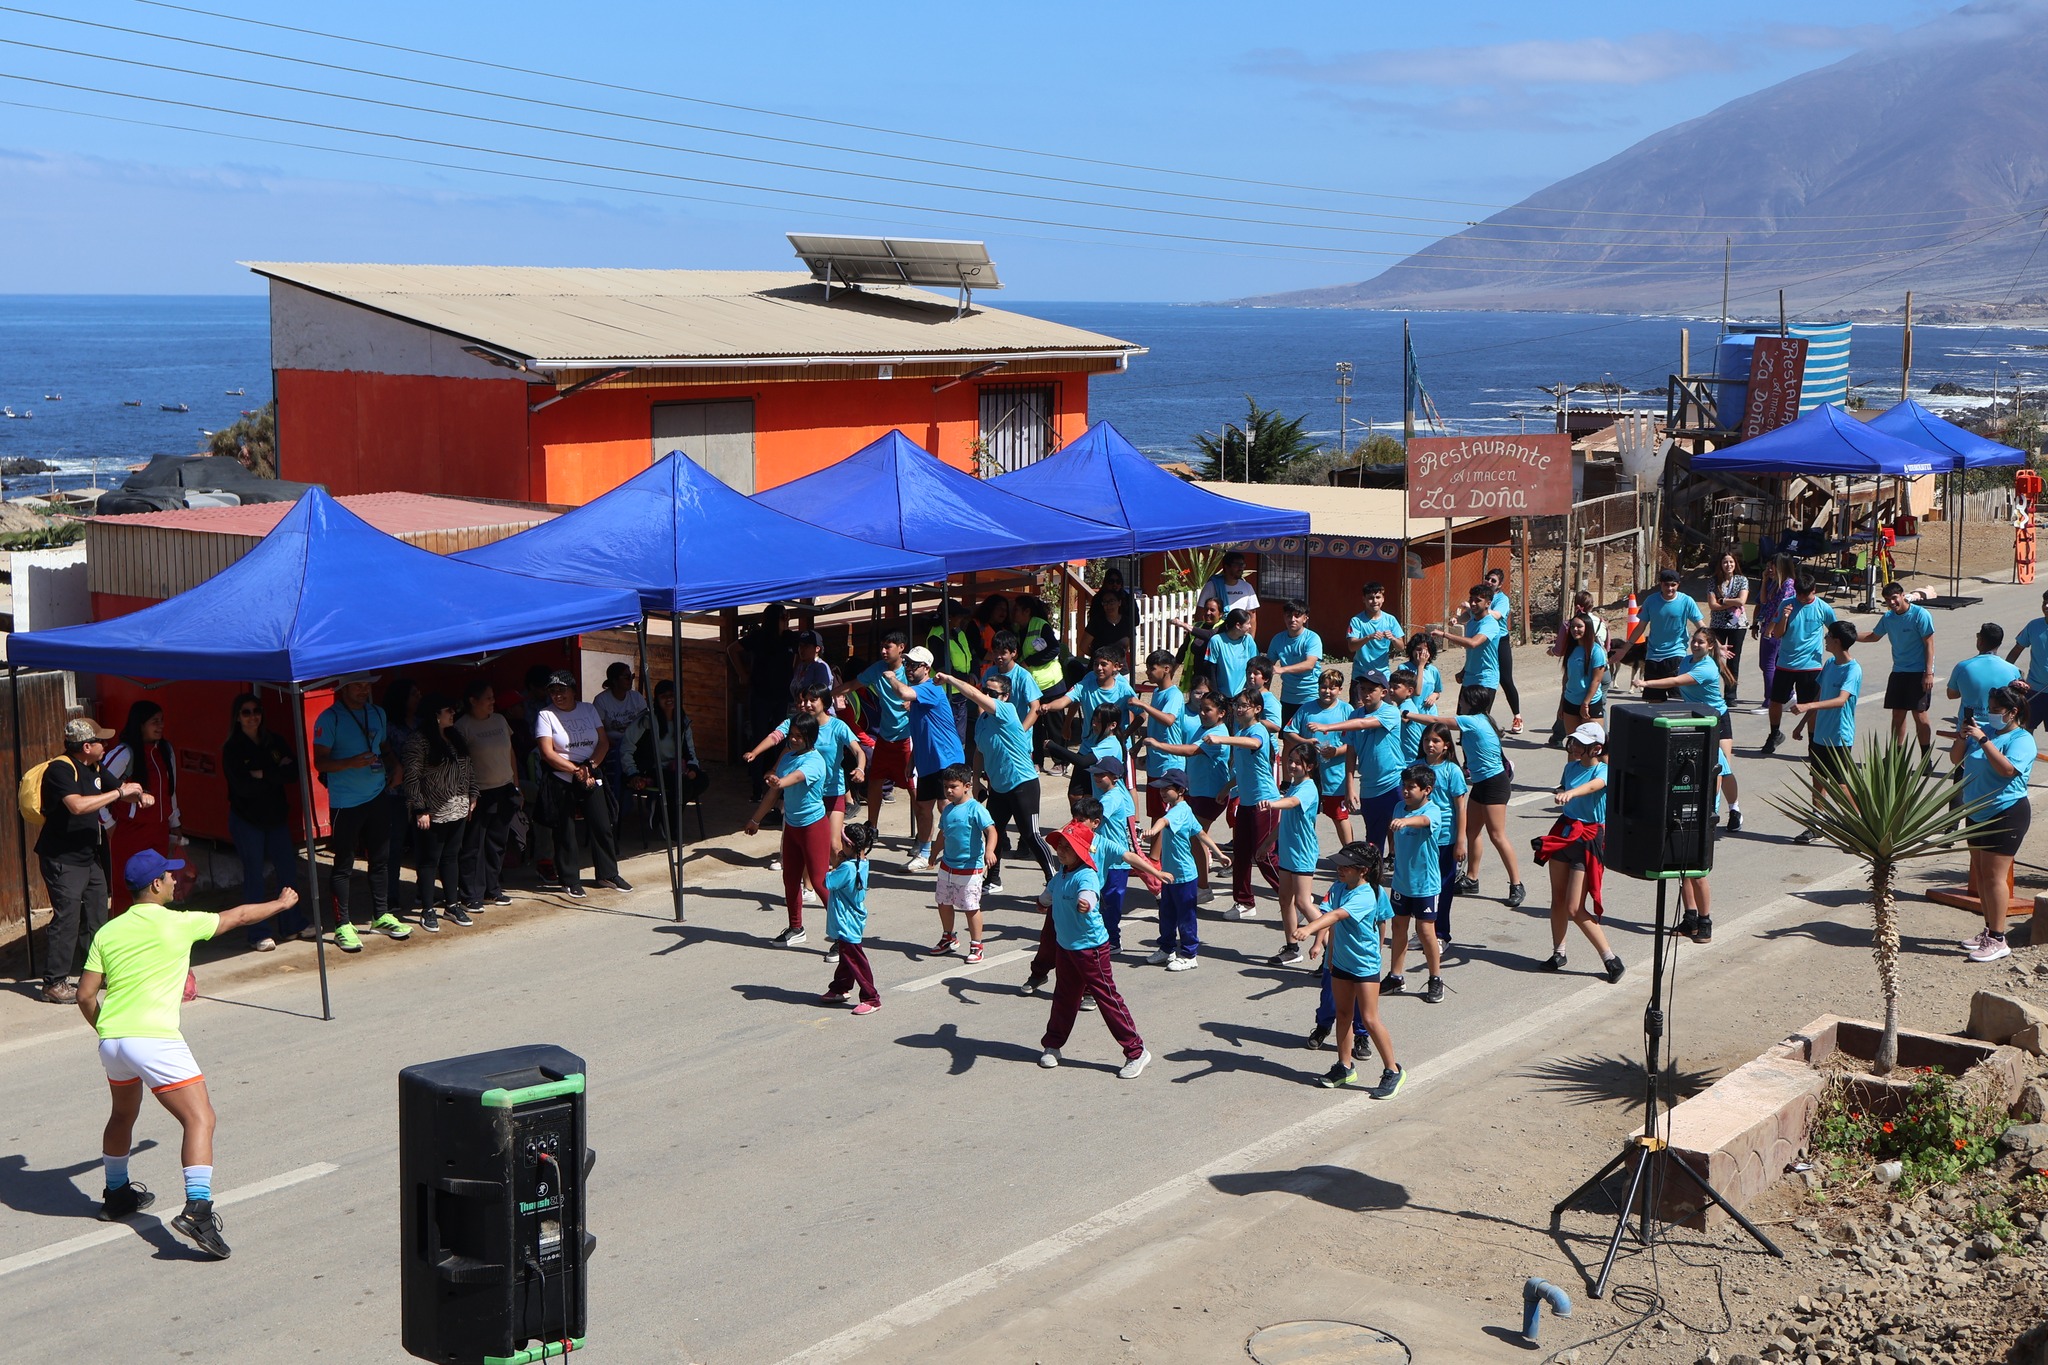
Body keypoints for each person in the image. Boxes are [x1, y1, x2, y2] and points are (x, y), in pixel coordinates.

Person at [77, 849, 299, 1257]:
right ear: (156, 885)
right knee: (200, 1117)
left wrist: (108, 1030)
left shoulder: (107, 932)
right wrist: (282, 904)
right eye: (170, 875)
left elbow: (86, 995)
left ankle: (117, 1194)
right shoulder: (178, 923)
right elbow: (239, 916)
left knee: (123, 1114)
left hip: (113, 1042)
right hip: (155, 1040)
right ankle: (197, 1209)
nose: (176, 880)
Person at [1035, 820, 1151, 1080]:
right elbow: (1047, 896)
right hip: (1066, 947)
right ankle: (1053, 1045)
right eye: (1060, 845)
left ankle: (1136, 1051)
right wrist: (1042, 902)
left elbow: (1089, 893)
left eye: (1067, 846)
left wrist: (1085, 903)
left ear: (1081, 850)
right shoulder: (1061, 874)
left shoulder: (1086, 874)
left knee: (1107, 998)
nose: (1061, 850)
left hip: (1091, 950)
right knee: (1064, 997)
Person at [35, 718, 138, 1003]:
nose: (106, 745)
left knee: (98, 917)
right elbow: (78, 806)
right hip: (62, 858)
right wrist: (119, 793)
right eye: (101, 741)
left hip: (89, 855)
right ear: (86, 746)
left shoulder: (94, 767)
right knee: (67, 918)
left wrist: (137, 794)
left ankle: (97, 974)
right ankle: (53, 983)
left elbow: (120, 790)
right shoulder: (61, 769)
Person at [1290, 842, 1404, 1096]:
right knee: (1343, 1015)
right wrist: (1325, 949)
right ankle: (1344, 1066)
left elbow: (1338, 916)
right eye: (1339, 864)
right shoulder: (1339, 886)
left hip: (1364, 966)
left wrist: (1308, 929)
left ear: (1362, 870)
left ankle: (1393, 1070)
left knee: (1370, 1019)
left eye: (1346, 866)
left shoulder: (1366, 894)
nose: (1339, 869)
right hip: (1340, 962)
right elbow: (1326, 914)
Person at [313, 675, 409, 952]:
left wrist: (396, 767)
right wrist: (350, 763)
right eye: (357, 684)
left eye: (367, 684)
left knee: (380, 858)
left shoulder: (377, 712)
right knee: (343, 862)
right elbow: (320, 762)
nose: (363, 689)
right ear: (342, 688)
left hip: (378, 793)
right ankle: (342, 924)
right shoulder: (330, 718)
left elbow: (384, 747)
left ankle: (381, 915)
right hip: (345, 800)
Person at [942, 669, 1050, 893]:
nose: (987, 696)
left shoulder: (1006, 711)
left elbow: (973, 695)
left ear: (1005, 697)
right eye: (986, 691)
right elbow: (979, 752)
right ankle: (993, 879)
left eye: (993, 693)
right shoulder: (982, 721)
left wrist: (950, 679)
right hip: (998, 786)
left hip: (1023, 783)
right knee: (993, 830)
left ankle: (1054, 879)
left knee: (1030, 834)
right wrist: (976, 779)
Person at [1532, 723, 1624, 982]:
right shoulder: (1570, 767)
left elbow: (1592, 787)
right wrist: (1563, 793)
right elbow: (1566, 789)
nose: (1573, 746)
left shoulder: (1605, 771)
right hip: (1565, 832)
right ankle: (1558, 953)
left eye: (1579, 743)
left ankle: (1611, 959)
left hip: (1589, 838)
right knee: (1557, 900)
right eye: (1572, 741)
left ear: (1596, 748)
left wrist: (1570, 793)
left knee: (1574, 907)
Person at [1953, 682, 2036, 964]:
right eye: (1989, 710)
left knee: (1994, 877)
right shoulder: (1984, 731)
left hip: (2006, 812)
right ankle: (1989, 930)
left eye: (1997, 710)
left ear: (2013, 712)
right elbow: (1956, 761)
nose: (1991, 715)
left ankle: (1999, 939)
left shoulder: (2022, 740)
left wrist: (1983, 740)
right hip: (1976, 811)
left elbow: (2007, 770)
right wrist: (1963, 737)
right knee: (1980, 874)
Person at [219, 694, 307, 950]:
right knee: (254, 877)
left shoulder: (274, 741)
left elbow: (294, 772)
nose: (252, 716)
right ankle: (258, 933)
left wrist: (263, 773)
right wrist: (275, 774)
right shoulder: (232, 748)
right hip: (247, 821)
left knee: (288, 871)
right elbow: (244, 788)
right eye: (246, 712)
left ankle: (292, 925)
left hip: (276, 818)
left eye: (256, 711)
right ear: (237, 717)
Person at [534, 670, 626, 899]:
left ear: (574, 690)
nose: (557, 695)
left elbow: (603, 742)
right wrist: (576, 770)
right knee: (565, 830)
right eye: (553, 691)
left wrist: (590, 767)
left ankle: (608, 873)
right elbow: (547, 753)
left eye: (562, 690)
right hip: (563, 776)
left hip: (590, 773)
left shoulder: (588, 709)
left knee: (602, 824)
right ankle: (569, 879)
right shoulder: (545, 715)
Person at [1639, 627, 1742, 831]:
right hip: (1697, 721)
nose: (1695, 644)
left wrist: (1646, 682)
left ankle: (1730, 810)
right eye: (1694, 641)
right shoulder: (1686, 661)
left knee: (1721, 769)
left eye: (1701, 642)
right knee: (1705, 768)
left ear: (1710, 645)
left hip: (1717, 719)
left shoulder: (1707, 668)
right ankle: (1708, 809)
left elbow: (1677, 681)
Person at [1137, 688, 1231, 902]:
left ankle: (1202, 887)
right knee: (1194, 839)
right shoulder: (1202, 729)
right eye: (1201, 709)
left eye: (1208, 710)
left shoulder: (1218, 735)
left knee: (1195, 839)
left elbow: (1190, 750)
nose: (1202, 713)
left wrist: (1159, 745)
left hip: (1211, 795)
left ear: (1222, 713)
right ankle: (1197, 883)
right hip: (1197, 792)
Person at [878, 646, 966, 873]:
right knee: (922, 807)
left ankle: (959, 848)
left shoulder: (931, 688)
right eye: (906, 664)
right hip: (927, 761)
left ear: (926, 668)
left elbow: (904, 693)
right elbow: (922, 730)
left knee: (947, 806)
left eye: (913, 665)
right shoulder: (919, 695)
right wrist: (912, 761)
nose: (908, 668)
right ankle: (925, 853)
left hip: (946, 759)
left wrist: (891, 677)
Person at [744, 711, 828, 947]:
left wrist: (779, 781)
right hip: (792, 828)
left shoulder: (815, 761)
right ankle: (796, 928)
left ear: (811, 737)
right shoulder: (789, 757)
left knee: (820, 883)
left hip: (814, 828)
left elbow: (795, 778)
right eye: (791, 735)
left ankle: (844, 936)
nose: (793, 740)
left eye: (799, 736)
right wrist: (756, 820)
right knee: (790, 879)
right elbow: (774, 793)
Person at [402, 694, 477, 932]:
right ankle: (427, 909)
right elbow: (411, 778)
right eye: (448, 710)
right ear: (435, 715)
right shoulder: (419, 742)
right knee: (428, 860)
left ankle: (452, 905)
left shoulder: (456, 737)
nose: (453, 713)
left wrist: (472, 794)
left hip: (458, 807)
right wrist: (420, 808)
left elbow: (468, 768)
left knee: (451, 857)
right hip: (432, 812)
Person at [1141, 772, 1229, 969]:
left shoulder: (1178, 811)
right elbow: (1201, 833)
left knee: (1185, 917)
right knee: (1166, 915)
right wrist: (1219, 853)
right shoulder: (1184, 810)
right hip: (1169, 875)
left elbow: (1163, 822)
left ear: (1180, 790)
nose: (1162, 792)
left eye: (1167, 788)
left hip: (1184, 876)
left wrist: (1153, 832)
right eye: (1161, 788)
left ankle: (1189, 955)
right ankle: (1167, 949)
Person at [1307, 670, 1403, 851]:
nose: (1365, 693)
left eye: (1371, 689)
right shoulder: (1354, 714)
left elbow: (1363, 724)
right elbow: (1351, 751)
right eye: (1362, 688)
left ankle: (1401, 874)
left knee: (1403, 836)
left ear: (1383, 692)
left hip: (1393, 784)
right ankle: (1374, 878)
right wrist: (1350, 786)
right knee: (1373, 843)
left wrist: (1328, 727)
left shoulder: (1391, 712)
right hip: (1368, 788)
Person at [1207, 690, 1282, 919]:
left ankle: (1294, 897)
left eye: (1245, 706)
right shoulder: (1241, 731)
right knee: (1241, 853)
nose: (1239, 709)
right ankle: (1244, 902)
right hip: (1247, 802)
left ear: (1257, 709)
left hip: (1265, 802)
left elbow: (1254, 743)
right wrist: (1227, 787)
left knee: (1265, 855)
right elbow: (1245, 771)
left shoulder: (1257, 730)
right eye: (1237, 705)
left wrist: (1222, 738)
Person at [103, 700, 182, 913]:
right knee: (127, 890)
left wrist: (174, 823)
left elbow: (170, 791)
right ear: (140, 724)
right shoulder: (124, 753)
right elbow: (95, 787)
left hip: (158, 832)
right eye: (154, 721)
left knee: (158, 888)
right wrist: (108, 823)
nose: (160, 725)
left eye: (162, 720)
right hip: (129, 833)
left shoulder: (166, 750)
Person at [1790, 621, 1863, 845]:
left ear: (1837, 641)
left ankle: (1859, 825)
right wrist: (1803, 724)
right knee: (1818, 779)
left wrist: (1808, 708)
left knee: (1839, 783)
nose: (1825, 639)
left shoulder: (1853, 669)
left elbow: (1841, 700)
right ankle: (1817, 824)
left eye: (1829, 635)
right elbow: (1819, 696)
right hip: (1820, 734)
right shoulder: (1830, 663)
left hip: (1839, 736)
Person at [1382, 765, 1448, 1004]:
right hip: (1401, 882)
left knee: (1425, 931)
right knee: (1398, 928)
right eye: (1404, 786)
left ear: (1427, 790)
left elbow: (1424, 820)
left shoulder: (1433, 810)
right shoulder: (1399, 807)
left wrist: (1406, 822)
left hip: (1425, 885)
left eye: (1411, 787)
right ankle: (1396, 977)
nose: (1406, 791)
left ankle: (1435, 978)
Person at [1258, 743, 1326, 967]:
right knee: (1285, 900)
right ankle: (1292, 948)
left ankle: (1332, 947)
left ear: (1311, 766)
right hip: (1288, 853)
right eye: (1290, 761)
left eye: (1298, 762)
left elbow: (1291, 804)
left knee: (1304, 903)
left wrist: (1273, 804)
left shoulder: (1307, 788)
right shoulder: (1294, 786)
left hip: (1302, 854)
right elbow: (1285, 819)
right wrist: (1267, 843)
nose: (1293, 765)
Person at [455, 680, 520, 911]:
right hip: (478, 793)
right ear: (473, 701)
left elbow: (510, 751)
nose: (493, 701)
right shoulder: (462, 726)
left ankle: (492, 890)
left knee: (497, 842)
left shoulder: (501, 720)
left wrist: (516, 784)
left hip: (504, 789)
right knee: (473, 845)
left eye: (494, 697)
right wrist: (467, 794)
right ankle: (470, 893)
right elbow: (460, 764)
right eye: (488, 697)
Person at [1853, 581, 1937, 755]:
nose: (1892, 603)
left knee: (1919, 715)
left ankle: (1925, 757)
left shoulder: (1920, 615)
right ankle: (1896, 758)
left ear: (1902, 595)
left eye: (1894, 598)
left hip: (1919, 672)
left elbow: (1929, 644)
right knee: (1898, 715)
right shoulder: (1888, 618)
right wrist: (1850, 635)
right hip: (1899, 671)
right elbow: (1873, 636)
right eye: (1887, 600)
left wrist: (1928, 673)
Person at [623, 678, 709, 849]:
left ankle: (663, 814)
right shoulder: (647, 721)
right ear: (657, 699)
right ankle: (670, 826)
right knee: (682, 784)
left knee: (701, 780)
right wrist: (632, 772)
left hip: (677, 767)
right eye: (664, 696)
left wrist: (693, 767)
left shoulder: (683, 720)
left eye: (672, 695)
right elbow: (626, 747)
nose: (669, 699)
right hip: (651, 769)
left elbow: (691, 749)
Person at [925, 766, 996, 963]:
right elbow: (943, 834)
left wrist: (989, 851)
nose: (948, 791)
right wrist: (934, 853)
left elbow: (991, 831)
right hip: (947, 866)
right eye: (946, 786)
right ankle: (949, 937)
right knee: (943, 902)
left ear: (967, 786)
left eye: (953, 787)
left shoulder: (976, 809)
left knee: (970, 907)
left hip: (970, 868)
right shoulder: (947, 809)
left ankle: (976, 944)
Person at [1453, 709, 1523, 907]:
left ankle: (1517, 884)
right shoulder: (1482, 720)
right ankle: (1471, 879)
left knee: (1497, 835)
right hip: (1482, 783)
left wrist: (1408, 714)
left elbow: (1436, 719)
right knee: (1472, 830)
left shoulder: (1474, 721)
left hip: (1495, 785)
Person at [847, 632, 913, 837]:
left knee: (914, 789)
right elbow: (852, 685)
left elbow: (930, 689)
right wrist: (825, 697)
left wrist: (915, 700)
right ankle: (872, 827)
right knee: (875, 781)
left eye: (889, 646)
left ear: (901, 647)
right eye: (882, 646)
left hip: (907, 738)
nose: (883, 651)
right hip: (885, 738)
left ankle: (923, 838)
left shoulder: (912, 669)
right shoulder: (877, 669)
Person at [1763, 574, 1836, 755]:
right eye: (1799, 595)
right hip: (1785, 664)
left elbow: (1835, 631)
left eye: (1806, 595)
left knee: (1810, 705)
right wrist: (1785, 617)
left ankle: (1813, 742)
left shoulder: (1823, 608)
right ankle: (1774, 734)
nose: (1802, 599)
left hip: (1810, 666)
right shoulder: (1786, 604)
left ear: (1814, 591)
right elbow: (1778, 634)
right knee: (1775, 702)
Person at [730, 603, 796, 803]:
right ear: (777, 619)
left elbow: (804, 652)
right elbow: (732, 649)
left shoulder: (789, 637)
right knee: (759, 740)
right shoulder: (759, 637)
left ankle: (779, 784)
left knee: (781, 738)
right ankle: (757, 788)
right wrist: (742, 674)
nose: (788, 620)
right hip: (761, 693)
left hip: (781, 694)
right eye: (785, 617)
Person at [1286, 669, 1357, 846]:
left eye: (1332, 688)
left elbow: (1353, 742)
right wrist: (1305, 741)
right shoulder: (1306, 708)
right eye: (1323, 687)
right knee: (1305, 814)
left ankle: (1350, 852)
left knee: (1340, 816)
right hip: (1309, 777)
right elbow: (1288, 732)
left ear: (1340, 690)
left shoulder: (1347, 710)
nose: (1327, 691)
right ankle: (1304, 847)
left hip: (1335, 777)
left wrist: (1336, 752)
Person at [818, 822, 882, 1015]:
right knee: (847, 958)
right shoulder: (863, 862)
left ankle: (871, 998)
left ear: (848, 845)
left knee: (855, 959)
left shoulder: (846, 868)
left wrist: (836, 863)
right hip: (852, 918)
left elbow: (827, 882)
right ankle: (839, 988)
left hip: (846, 921)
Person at [1416, 722, 1469, 945]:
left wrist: (1460, 840)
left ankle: (1441, 934)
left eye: (1436, 741)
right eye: (1427, 740)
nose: (1430, 744)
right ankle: (1423, 931)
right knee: (1421, 887)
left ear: (1446, 745)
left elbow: (1460, 808)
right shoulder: (1417, 768)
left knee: (1443, 889)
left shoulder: (1452, 771)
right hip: (1420, 840)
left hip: (1445, 839)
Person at [379, 679, 423, 915]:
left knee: (422, 843)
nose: (419, 696)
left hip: (420, 794)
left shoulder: (419, 723)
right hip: (394, 793)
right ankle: (391, 896)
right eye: (413, 693)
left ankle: (422, 892)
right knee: (394, 845)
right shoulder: (388, 726)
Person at [1129, 649, 1189, 822]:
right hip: (1155, 763)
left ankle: (1160, 850)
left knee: (1166, 817)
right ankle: (1158, 850)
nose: (1148, 672)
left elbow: (1168, 720)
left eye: (1152, 668)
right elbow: (1156, 727)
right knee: (1156, 813)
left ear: (1167, 669)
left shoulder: (1174, 695)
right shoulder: (1157, 693)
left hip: (1169, 764)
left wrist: (1143, 705)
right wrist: (1140, 744)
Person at [1435, 585, 1509, 718]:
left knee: (1479, 723)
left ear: (1488, 603)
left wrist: (1445, 635)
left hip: (1485, 680)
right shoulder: (1471, 623)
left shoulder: (1490, 624)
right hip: (1469, 678)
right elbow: (1474, 653)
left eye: (1478, 600)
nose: (1473, 603)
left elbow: (1473, 643)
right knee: (1463, 721)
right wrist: (1464, 671)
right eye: (1471, 600)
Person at [1948, 623, 2022, 735]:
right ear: (1999, 643)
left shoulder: (1963, 667)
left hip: (1968, 731)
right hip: (2000, 732)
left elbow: (1951, 694)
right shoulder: (2013, 670)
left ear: (1980, 640)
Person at [1552, 613, 1608, 748]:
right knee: (1573, 747)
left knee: (1594, 747)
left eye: (1579, 626)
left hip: (1591, 705)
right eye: (1572, 627)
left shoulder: (1596, 651)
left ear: (1587, 628)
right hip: (1571, 702)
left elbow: (1596, 680)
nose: (1575, 630)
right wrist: (1562, 704)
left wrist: (1586, 703)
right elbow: (1567, 679)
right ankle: (1571, 769)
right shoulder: (1571, 650)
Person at [1481, 568, 1524, 734]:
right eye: (1488, 579)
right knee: (1485, 678)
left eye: (1493, 580)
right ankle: (1484, 719)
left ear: (1499, 585)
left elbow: (1497, 615)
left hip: (1500, 642)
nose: (1489, 582)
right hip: (1485, 641)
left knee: (1505, 679)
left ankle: (1517, 716)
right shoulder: (1481, 597)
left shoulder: (1501, 599)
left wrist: (1477, 609)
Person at [1706, 550, 1751, 705]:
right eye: (1725, 562)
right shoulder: (1713, 581)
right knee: (1715, 658)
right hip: (1717, 625)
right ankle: (1713, 692)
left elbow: (1741, 601)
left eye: (1731, 562)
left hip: (1737, 626)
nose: (1728, 565)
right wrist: (1730, 601)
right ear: (1720, 564)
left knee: (1733, 660)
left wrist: (1723, 600)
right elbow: (1712, 605)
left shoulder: (1742, 580)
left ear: (1735, 563)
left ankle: (1730, 695)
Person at [591, 662, 648, 784]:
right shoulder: (601, 700)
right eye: (626, 677)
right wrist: (616, 744)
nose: (630, 680)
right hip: (612, 745)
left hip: (636, 744)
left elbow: (645, 724)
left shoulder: (636, 697)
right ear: (614, 680)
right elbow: (598, 730)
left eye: (631, 676)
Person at [1268, 601, 1324, 724]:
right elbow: (1267, 667)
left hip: (1310, 695)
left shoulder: (1312, 638)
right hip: (1287, 697)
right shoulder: (1277, 639)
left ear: (1305, 618)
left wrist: (1282, 669)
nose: (1292, 619)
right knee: (1288, 738)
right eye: (1288, 615)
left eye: (1297, 615)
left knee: (1310, 738)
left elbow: (1309, 664)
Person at [2007, 590, 2048, 734]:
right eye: (2044, 602)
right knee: (2025, 729)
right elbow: (2016, 650)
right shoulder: (2033, 626)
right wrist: (2007, 672)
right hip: (2034, 690)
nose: (2046, 606)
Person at [1345, 581, 1404, 682]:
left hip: (1382, 674)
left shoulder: (1390, 620)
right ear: (1364, 599)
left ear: (1383, 599)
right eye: (1370, 598)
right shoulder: (1356, 621)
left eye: (1378, 597)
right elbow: (1351, 647)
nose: (1374, 601)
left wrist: (1393, 638)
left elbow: (1401, 647)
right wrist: (1369, 637)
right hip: (1361, 674)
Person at [1082, 569, 1138, 669]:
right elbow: (1084, 645)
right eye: (1111, 581)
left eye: (1118, 582)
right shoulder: (1097, 600)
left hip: (1121, 651)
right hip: (1101, 644)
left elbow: (1136, 620)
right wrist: (1097, 656)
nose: (1115, 584)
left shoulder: (1128, 599)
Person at [1204, 609, 1259, 701]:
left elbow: (1255, 665)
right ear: (1238, 625)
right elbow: (1210, 669)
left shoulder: (1248, 640)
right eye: (1248, 623)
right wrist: (1216, 694)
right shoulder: (1216, 641)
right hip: (1222, 696)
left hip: (1243, 696)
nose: (1250, 626)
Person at [1194, 551, 1259, 617]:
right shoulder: (1212, 586)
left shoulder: (1247, 587)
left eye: (1242, 565)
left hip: (1240, 627)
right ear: (1227, 566)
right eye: (1237, 565)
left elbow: (1252, 614)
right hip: (1217, 627)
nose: (1241, 568)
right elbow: (1200, 611)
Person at [1405, 633, 1444, 715]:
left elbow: (1437, 691)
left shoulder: (1433, 670)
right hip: (1412, 714)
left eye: (1426, 650)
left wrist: (1434, 696)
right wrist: (1420, 666)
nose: (1422, 653)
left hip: (1429, 713)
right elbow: (1416, 692)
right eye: (1418, 649)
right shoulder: (1404, 668)